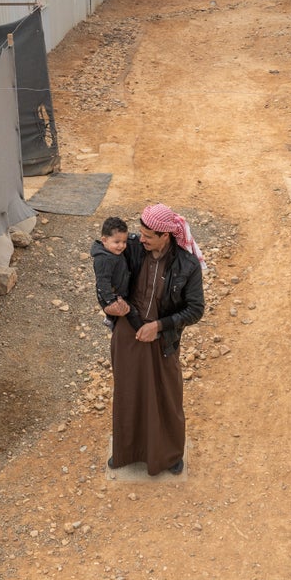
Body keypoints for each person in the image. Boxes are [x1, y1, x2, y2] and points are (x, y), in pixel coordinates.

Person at [105, 203, 205, 476]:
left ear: (166, 235)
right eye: (141, 232)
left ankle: (169, 455)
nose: (141, 239)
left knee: (166, 395)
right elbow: (103, 260)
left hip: (163, 338)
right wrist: (106, 301)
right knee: (128, 392)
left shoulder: (187, 264)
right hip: (129, 330)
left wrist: (159, 326)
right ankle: (128, 452)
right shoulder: (134, 248)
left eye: (149, 235)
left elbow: (195, 310)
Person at [90, 216, 141, 332]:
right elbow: (102, 282)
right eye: (117, 242)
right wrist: (110, 301)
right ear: (104, 240)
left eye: (124, 242)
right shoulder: (104, 259)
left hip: (117, 291)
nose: (121, 246)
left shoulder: (112, 251)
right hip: (111, 295)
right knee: (131, 312)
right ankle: (141, 330)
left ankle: (110, 319)